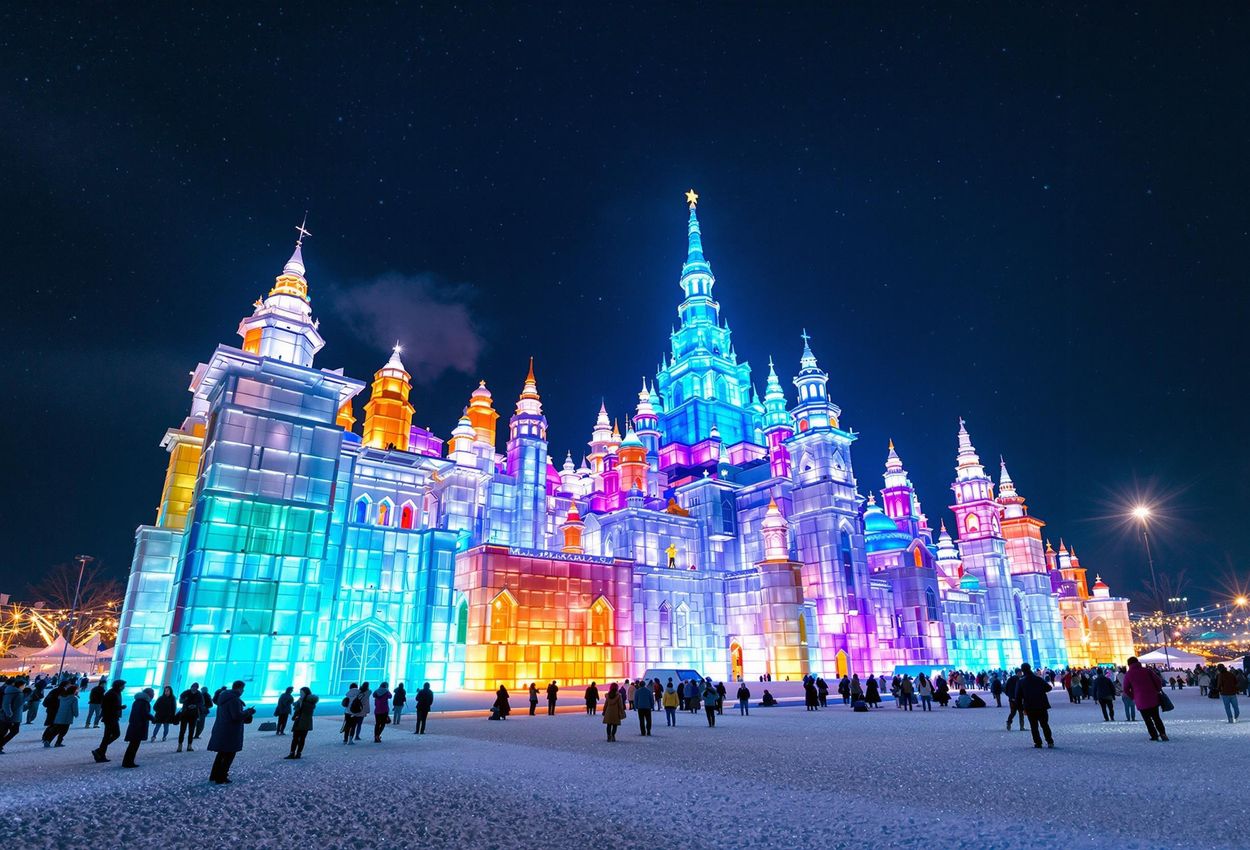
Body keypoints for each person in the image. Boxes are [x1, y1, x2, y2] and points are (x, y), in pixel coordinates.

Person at [207, 680, 255, 784]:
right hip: (231, 732)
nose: (243, 691)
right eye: (242, 689)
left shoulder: (224, 698)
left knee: (221, 754)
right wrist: (248, 712)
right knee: (229, 754)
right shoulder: (234, 700)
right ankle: (221, 776)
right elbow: (236, 716)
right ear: (239, 688)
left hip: (222, 729)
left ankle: (214, 775)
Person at [1122, 657, 1168, 741]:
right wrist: (1157, 689)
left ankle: (1154, 735)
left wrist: (1133, 696)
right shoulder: (1147, 670)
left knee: (1147, 720)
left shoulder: (1128, 674)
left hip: (1140, 700)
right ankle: (1163, 733)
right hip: (1153, 697)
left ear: (1129, 664)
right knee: (1156, 717)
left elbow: (1125, 689)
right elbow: (1158, 681)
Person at [1016, 663, 1054, 749]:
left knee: (1034, 726)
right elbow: (1049, 688)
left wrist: (1021, 708)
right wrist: (1040, 690)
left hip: (1030, 707)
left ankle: (1038, 743)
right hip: (1042, 705)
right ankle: (1050, 741)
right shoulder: (1038, 679)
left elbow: (1018, 696)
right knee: (1044, 724)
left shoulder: (1021, 682)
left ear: (1022, 671)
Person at [92, 679, 127, 763]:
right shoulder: (112, 694)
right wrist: (120, 707)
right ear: (119, 686)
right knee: (114, 734)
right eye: (123, 686)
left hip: (112, 717)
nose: (124, 687)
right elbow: (108, 706)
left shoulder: (115, 693)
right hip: (110, 717)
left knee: (109, 735)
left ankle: (100, 753)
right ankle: (100, 751)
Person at [121, 687, 154, 768]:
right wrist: (153, 718)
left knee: (133, 745)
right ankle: (128, 762)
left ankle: (127, 761)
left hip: (135, 725)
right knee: (134, 745)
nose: (153, 695)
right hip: (139, 726)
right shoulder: (144, 703)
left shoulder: (138, 701)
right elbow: (145, 714)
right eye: (152, 694)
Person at [285, 687, 317, 759]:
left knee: (301, 738)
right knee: (295, 738)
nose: (301, 694)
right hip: (299, 720)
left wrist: (301, 703)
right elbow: (297, 707)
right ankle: (292, 753)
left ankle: (298, 753)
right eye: (300, 693)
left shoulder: (310, 701)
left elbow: (306, 710)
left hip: (304, 721)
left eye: (302, 693)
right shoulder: (301, 700)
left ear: (306, 693)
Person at [0, 677, 25, 753]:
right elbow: (6, 704)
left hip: (13, 716)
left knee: (4, 731)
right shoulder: (15, 692)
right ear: (20, 685)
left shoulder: (15, 692)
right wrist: (9, 713)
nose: (24, 686)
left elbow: (18, 705)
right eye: (24, 685)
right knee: (10, 731)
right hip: (11, 717)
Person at [177, 683, 201, 752]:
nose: (194, 689)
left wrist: (195, 706)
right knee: (182, 730)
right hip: (185, 714)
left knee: (191, 731)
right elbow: (180, 700)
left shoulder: (199, 694)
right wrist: (185, 700)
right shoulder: (186, 692)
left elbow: (201, 703)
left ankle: (189, 745)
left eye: (195, 687)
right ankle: (180, 745)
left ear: (197, 688)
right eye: (193, 687)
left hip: (193, 715)